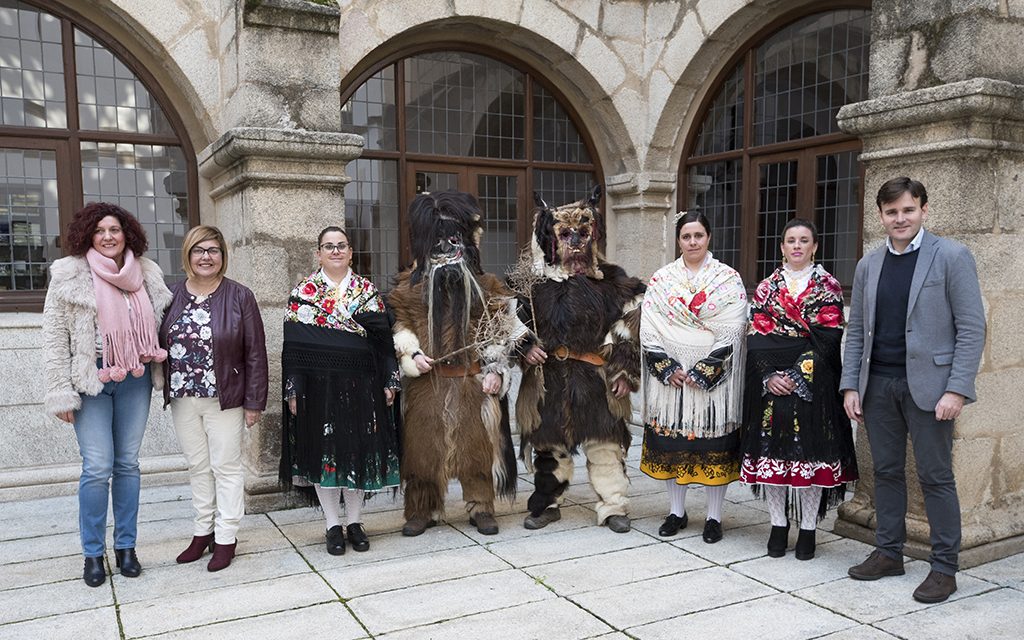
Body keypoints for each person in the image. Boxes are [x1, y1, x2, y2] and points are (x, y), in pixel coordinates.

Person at [842, 177, 985, 603]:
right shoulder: (869, 264)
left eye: (907, 209)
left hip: (931, 389)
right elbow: (856, 333)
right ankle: (888, 553)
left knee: (935, 476)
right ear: (881, 216)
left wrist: (956, 389)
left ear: (923, 209)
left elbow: (972, 328)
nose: (900, 218)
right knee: (884, 472)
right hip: (879, 386)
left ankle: (944, 567)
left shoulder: (952, 256)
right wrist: (852, 385)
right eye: (891, 212)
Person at [42, 202, 171, 587]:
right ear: (88, 235)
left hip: (135, 377)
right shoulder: (68, 275)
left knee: (128, 464)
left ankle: (126, 547)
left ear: (127, 233)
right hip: (90, 379)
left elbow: (165, 324)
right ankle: (93, 553)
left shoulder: (146, 273)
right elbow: (53, 337)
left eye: (114, 229)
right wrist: (59, 391)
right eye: (100, 231)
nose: (109, 237)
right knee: (97, 467)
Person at [388, 191, 524, 537]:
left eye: (454, 239)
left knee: (477, 453)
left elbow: (500, 333)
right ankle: (423, 509)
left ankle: (481, 507)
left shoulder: (487, 287)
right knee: (421, 454)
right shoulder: (406, 290)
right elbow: (400, 325)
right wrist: (411, 353)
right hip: (426, 387)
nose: (447, 248)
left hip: (471, 383)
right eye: (438, 240)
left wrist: (495, 370)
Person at [516, 186, 645, 533]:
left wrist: (624, 371)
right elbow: (511, 325)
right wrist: (525, 346)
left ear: (593, 236)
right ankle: (547, 503)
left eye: (583, 234)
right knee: (548, 446)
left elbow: (629, 326)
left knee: (605, 444)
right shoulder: (533, 284)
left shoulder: (614, 282)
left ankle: (612, 506)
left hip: (595, 379)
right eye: (566, 234)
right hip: (549, 379)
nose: (575, 242)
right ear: (552, 238)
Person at [739, 218, 858, 560]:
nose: (796, 246)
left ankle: (808, 529)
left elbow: (828, 337)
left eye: (803, 240)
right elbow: (758, 335)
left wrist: (796, 373)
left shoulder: (828, 287)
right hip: (771, 388)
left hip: (815, 386)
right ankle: (778, 524)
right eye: (790, 240)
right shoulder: (766, 288)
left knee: (811, 456)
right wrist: (769, 376)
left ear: (814, 246)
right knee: (773, 456)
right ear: (781, 247)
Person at [280, 226, 401, 555]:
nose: (335, 251)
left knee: (358, 451)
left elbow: (384, 342)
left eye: (341, 246)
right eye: (328, 246)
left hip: (363, 387)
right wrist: (293, 389)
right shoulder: (304, 292)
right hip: (318, 389)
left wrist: (391, 380)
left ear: (350, 252)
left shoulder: (367, 292)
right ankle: (333, 524)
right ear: (318, 253)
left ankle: (356, 522)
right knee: (324, 454)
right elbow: (293, 347)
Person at [159, 225, 268, 571]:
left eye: (213, 251)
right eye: (198, 251)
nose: (206, 257)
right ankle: (202, 531)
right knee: (198, 467)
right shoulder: (170, 295)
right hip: (182, 397)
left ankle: (226, 536)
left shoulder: (239, 296)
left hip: (226, 398)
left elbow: (255, 352)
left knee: (226, 467)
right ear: (188, 256)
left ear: (223, 256)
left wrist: (254, 401)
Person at [639, 211, 747, 543]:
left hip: (715, 379)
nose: (693, 242)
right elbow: (650, 325)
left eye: (698, 235)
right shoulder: (662, 279)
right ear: (678, 241)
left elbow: (735, 326)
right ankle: (676, 511)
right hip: (672, 379)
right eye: (686, 236)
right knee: (672, 444)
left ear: (708, 237)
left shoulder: (728, 278)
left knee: (713, 444)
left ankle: (714, 517)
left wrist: (705, 370)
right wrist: (667, 367)